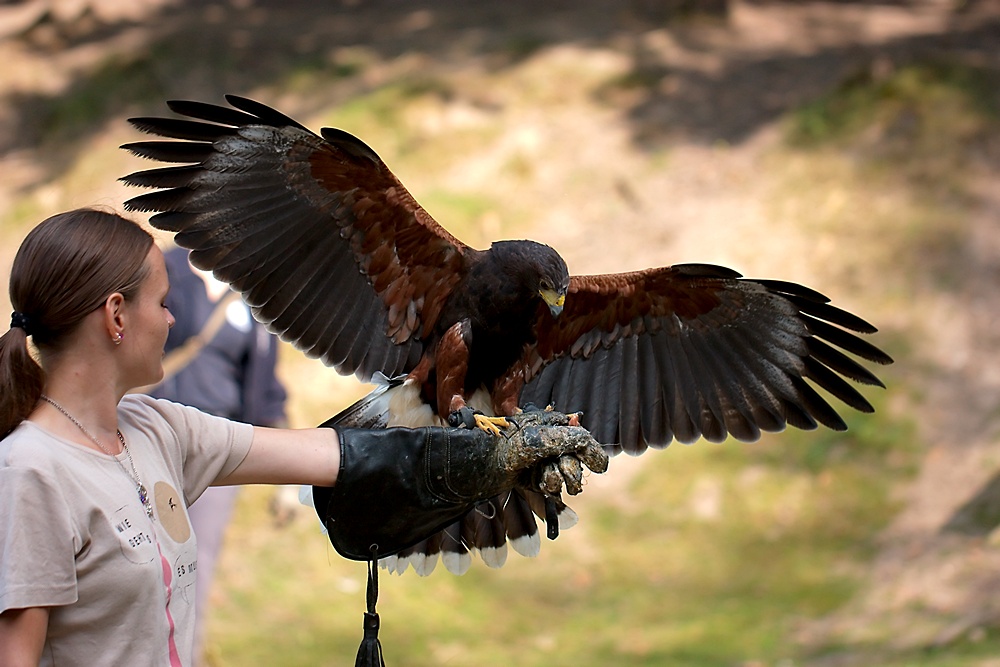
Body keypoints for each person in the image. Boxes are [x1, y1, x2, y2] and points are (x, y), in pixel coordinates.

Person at [0, 208, 609, 667]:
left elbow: (335, 455)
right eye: (162, 303)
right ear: (115, 317)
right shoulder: (31, 473)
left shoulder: (160, 430)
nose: (173, 319)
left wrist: (492, 456)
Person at [148, 245, 289, 663]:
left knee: (195, 566)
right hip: (153, 438)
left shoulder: (252, 289)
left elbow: (265, 387)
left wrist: (287, 478)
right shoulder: (164, 269)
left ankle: (184, 658)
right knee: (143, 566)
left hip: (217, 452)